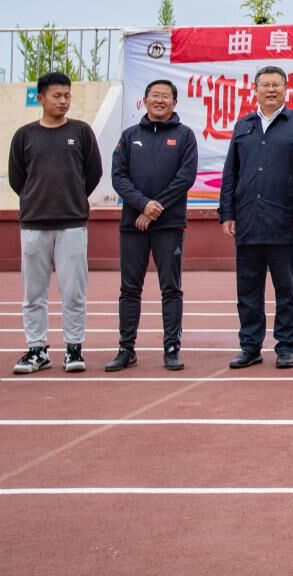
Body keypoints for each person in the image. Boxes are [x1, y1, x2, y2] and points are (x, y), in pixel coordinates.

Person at [218, 66, 293, 370]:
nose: (271, 90)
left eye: (276, 85)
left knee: (286, 290)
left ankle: (286, 346)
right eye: (265, 85)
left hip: (284, 220)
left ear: (286, 89)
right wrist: (227, 212)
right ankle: (250, 346)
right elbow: (230, 172)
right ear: (256, 90)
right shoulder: (243, 125)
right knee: (248, 290)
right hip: (248, 218)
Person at [8, 72, 102, 375]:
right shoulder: (25, 136)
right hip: (34, 224)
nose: (63, 101)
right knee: (33, 293)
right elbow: (17, 178)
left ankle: (74, 348)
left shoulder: (81, 132)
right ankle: (37, 349)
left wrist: (73, 198)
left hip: (72, 223)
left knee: (73, 291)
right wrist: (36, 199)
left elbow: (94, 173)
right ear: (41, 98)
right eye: (56, 96)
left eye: (67, 96)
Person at [106, 79, 199, 372]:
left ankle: (171, 348)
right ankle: (126, 349)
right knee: (129, 289)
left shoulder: (185, 136)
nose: (160, 100)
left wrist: (155, 208)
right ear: (144, 100)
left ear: (175, 102)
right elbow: (118, 177)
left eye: (165, 96)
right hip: (133, 224)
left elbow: (185, 178)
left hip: (169, 225)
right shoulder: (129, 136)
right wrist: (143, 204)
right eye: (155, 95)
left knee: (171, 288)